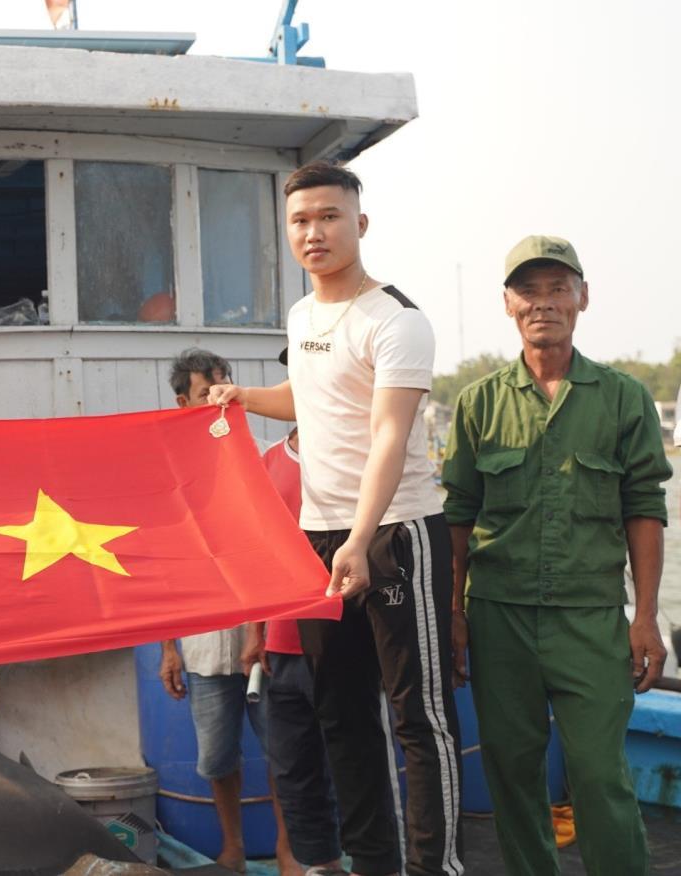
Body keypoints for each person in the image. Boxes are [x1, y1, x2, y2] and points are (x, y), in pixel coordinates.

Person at [209, 160, 463, 876]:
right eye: (300, 220)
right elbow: (312, 395)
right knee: (343, 720)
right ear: (286, 231)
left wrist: (359, 537)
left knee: (420, 724)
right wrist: (241, 398)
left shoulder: (397, 321)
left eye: (328, 216)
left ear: (361, 223)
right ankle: (373, 865)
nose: (313, 232)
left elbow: (388, 432)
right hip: (319, 539)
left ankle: (435, 867)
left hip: (396, 534)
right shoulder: (302, 316)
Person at [441, 235, 672, 875]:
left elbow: (644, 506)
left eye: (558, 288)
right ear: (508, 304)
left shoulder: (622, 397)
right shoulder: (477, 402)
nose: (544, 303)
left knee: (601, 776)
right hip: (498, 617)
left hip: (591, 618)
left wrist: (646, 617)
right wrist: (453, 617)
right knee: (513, 776)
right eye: (529, 291)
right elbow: (458, 516)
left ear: (583, 298)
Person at [157, 347, 276, 873]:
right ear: (184, 401)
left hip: (265, 639)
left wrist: (260, 629)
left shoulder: (259, 455)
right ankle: (232, 849)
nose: (221, 400)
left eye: (227, 388)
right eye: (208, 394)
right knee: (216, 759)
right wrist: (168, 649)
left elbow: (267, 551)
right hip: (202, 646)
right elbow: (165, 570)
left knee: (285, 751)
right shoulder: (169, 475)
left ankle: (291, 849)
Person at [242, 427, 344, 876]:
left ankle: (376, 863)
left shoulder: (351, 449)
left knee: (355, 766)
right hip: (282, 644)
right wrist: (255, 630)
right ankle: (319, 866)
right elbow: (258, 551)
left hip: (343, 641)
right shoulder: (270, 461)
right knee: (293, 771)